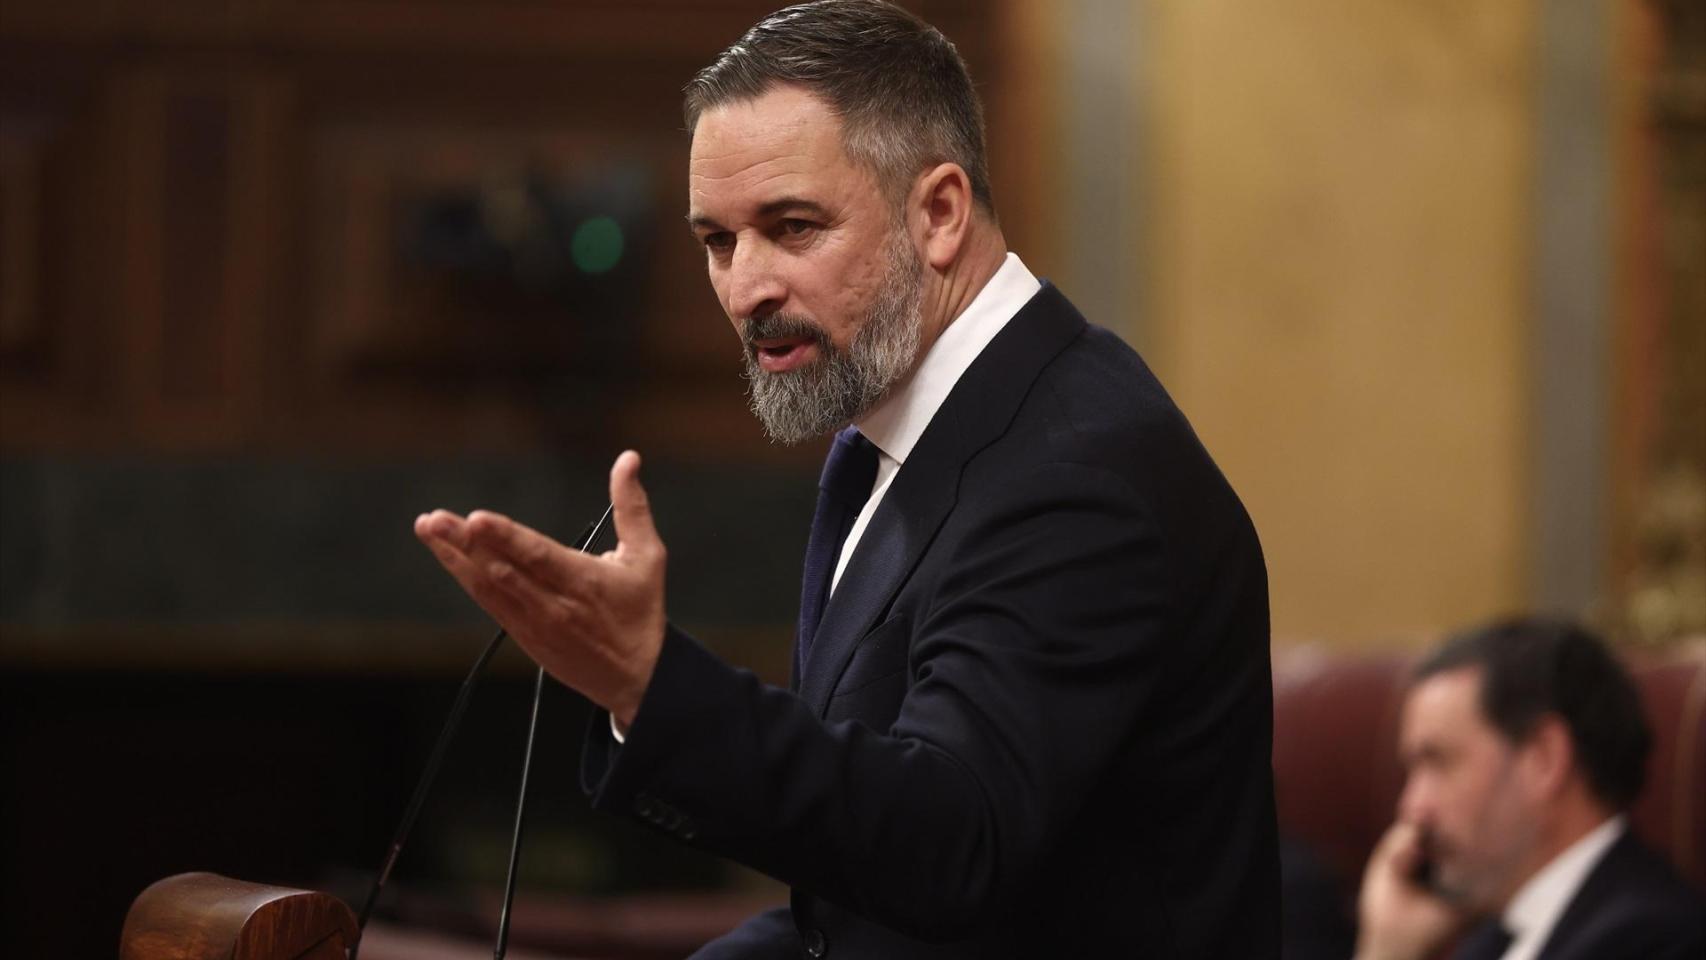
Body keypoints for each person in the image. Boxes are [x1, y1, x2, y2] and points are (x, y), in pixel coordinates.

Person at [415, 1, 1279, 955]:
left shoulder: (1079, 473)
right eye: (718, 241)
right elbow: (851, 913)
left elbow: (948, 841)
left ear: (940, 212)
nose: (746, 289)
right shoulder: (907, 423)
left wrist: (650, 685)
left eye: (791, 227)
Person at [1355, 617, 1706, 960]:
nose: (1412, 807)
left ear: (1544, 759)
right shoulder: (1492, 938)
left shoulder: (1653, 940)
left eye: (1439, 763)